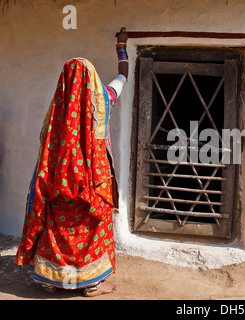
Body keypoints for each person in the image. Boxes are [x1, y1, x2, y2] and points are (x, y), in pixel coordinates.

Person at [14, 27, 129, 297]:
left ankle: (52, 281)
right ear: (91, 80)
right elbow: (123, 76)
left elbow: (45, 152)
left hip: (56, 187)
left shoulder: (55, 114)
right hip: (92, 186)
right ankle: (90, 284)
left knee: (56, 231)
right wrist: (121, 46)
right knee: (91, 231)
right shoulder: (104, 99)